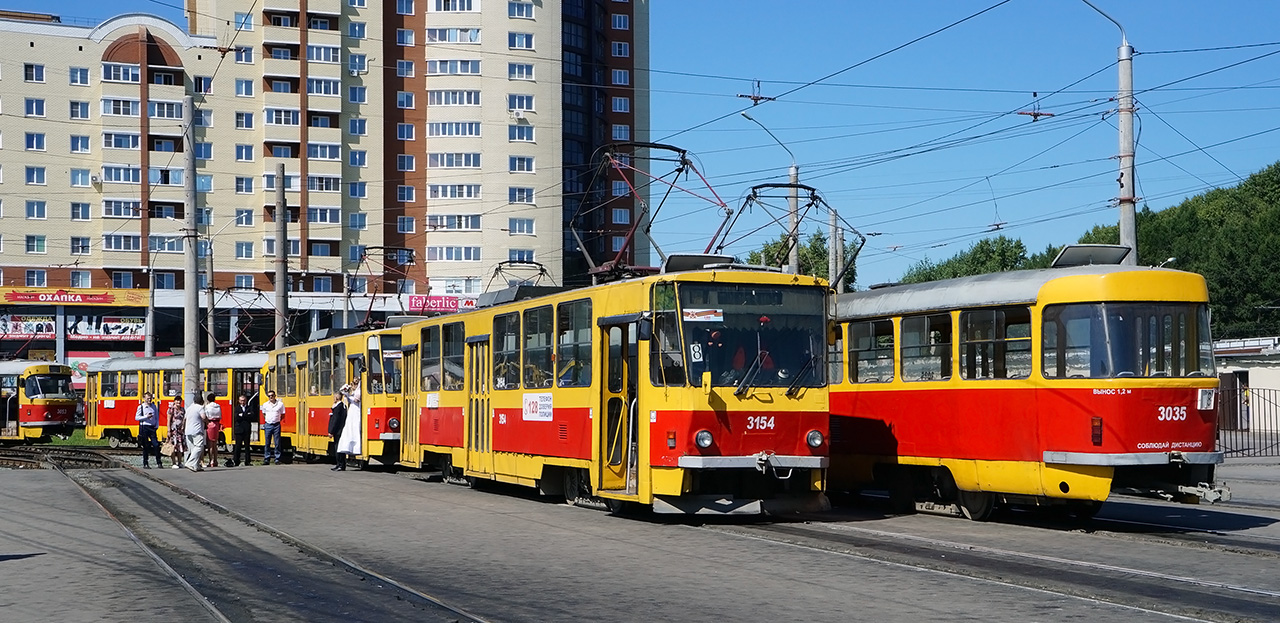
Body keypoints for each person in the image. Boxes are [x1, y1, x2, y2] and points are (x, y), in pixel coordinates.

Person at [336, 375, 363, 468]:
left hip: (356, 410)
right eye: (354, 382)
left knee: (354, 426)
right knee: (349, 427)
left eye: (356, 382)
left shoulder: (359, 391)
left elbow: (356, 400)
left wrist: (347, 395)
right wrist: (346, 392)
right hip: (352, 410)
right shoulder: (355, 390)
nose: (354, 384)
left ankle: (355, 446)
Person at [134, 392, 163, 469]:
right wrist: (146, 417)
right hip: (144, 427)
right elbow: (137, 418)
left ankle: (159, 462)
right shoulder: (141, 407)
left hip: (152, 427)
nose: (149, 400)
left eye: (150, 398)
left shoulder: (154, 406)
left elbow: (156, 417)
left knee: (156, 444)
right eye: (147, 398)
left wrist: (156, 426)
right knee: (146, 446)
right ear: (144, 399)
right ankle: (145, 463)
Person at [230, 393, 258, 467]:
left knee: (247, 446)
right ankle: (236, 461)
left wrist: (242, 415)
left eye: (244, 400)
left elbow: (252, 416)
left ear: (246, 401)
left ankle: (247, 461)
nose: (243, 402)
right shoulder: (236, 408)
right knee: (237, 446)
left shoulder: (249, 407)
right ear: (239, 401)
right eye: (241, 400)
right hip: (239, 430)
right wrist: (245, 415)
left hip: (247, 429)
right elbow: (236, 417)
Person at [183, 393, 207, 472]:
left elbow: (185, 419)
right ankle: (189, 463)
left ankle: (196, 466)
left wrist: (183, 428)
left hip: (188, 431)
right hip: (196, 430)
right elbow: (203, 417)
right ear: (201, 401)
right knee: (199, 447)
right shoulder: (200, 408)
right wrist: (207, 421)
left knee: (193, 449)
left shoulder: (189, 408)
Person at [261, 389, 285, 465]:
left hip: (276, 425)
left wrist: (277, 420)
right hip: (268, 424)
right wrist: (267, 420)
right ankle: (267, 458)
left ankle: (277, 458)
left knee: (277, 442)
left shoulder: (280, 404)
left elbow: (283, 414)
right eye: (269, 396)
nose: (271, 397)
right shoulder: (265, 405)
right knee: (267, 442)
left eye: (272, 395)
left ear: (275, 396)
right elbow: (263, 414)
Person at [327, 391, 348, 471]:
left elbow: (335, 420)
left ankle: (340, 464)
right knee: (338, 447)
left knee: (338, 447)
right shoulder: (342, 406)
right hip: (340, 430)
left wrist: (331, 431)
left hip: (338, 431)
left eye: (334, 397)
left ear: (337, 397)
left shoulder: (338, 407)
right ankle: (339, 464)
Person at [166, 396, 187, 469]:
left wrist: (183, 427)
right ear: (174, 401)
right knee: (173, 446)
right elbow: (168, 420)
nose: (178, 402)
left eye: (180, 401)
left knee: (180, 447)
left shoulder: (182, 409)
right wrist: (168, 430)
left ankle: (180, 462)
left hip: (180, 431)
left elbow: (184, 419)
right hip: (173, 430)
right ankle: (174, 463)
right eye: (177, 401)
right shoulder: (171, 409)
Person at [204, 392, 223, 468]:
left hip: (210, 424)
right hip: (217, 424)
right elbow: (220, 416)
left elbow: (206, 416)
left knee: (210, 444)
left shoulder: (207, 407)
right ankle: (215, 460)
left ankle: (211, 460)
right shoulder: (218, 406)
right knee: (215, 444)